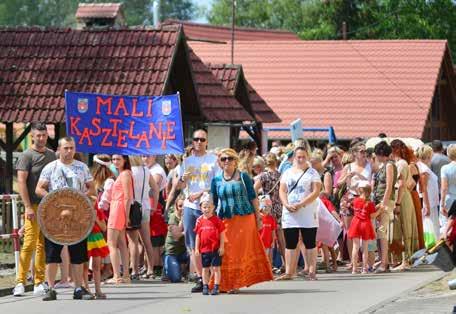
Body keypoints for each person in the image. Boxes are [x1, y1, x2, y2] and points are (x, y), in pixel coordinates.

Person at [35, 137, 95, 301]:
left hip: (77, 216)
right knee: (52, 255)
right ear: (59, 150)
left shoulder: (82, 167)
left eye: (72, 148)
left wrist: (81, 197)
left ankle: (77, 289)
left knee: (77, 255)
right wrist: (53, 200)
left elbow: (92, 188)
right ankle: (50, 289)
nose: (69, 151)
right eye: (66, 148)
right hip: (55, 217)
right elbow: (39, 189)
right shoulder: (51, 167)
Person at [211, 148, 273, 292]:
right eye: (223, 159)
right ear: (220, 162)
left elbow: (253, 198)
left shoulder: (243, 176)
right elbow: (213, 202)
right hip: (226, 219)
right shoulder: (216, 180)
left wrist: (258, 218)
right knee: (226, 250)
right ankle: (224, 283)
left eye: (230, 158)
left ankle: (235, 284)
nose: (226, 161)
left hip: (245, 219)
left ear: (235, 161)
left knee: (239, 251)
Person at [14, 123, 56, 297]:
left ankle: (39, 281)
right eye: (38, 135)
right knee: (29, 243)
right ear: (32, 136)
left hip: (47, 206)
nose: (41, 138)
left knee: (42, 244)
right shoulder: (26, 156)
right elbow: (21, 182)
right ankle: (20, 282)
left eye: (44, 135)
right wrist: (28, 206)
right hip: (33, 205)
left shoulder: (52, 155)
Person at [178, 129, 219, 293]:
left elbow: (216, 184)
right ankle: (200, 278)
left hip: (206, 206)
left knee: (209, 243)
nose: (199, 142)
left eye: (202, 139)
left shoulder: (213, 160)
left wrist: (201, 193)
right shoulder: (187, 161)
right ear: (192, 141)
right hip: (190, 205)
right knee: (192, 244)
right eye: (196, 139)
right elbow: (180, 186)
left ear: (207, 141)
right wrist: (183, 179)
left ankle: (211, 277)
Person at [277, 146, 322, 281]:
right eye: (298, 157)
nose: (301, 159)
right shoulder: (288, 172)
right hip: (290, 212)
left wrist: (301, 204)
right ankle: (289, 271)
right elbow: (282, 190)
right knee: (290, 242)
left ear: (307, 157)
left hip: (307, 211)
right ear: (294, 158)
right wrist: (286, 204)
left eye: (303, 156)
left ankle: (312, 271)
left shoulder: (312, 173)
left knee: (309, 241)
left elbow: (316, 191)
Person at [338, 142, 372, 265]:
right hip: (350, 198)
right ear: (355, 153)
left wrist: (358, 175)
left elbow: (370, 182)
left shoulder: (370, 165)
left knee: (365, 229)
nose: (364, 154)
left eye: (365, 151)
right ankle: (353, 261)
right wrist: (347, 175)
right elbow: (338, 184)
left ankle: (365, 260)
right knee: (350, 231)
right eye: (362, 151)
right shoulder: (349, 167)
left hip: (364, 199)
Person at [390, 139, 419, 271]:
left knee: (403, 227)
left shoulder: (400, 164)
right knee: (400, 227)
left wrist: (398, 203)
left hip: (401, 197)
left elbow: (401, 185)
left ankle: (405, 261)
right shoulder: (403, 163)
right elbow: (412, 183)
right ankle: (403, 259)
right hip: (403, 196)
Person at [128, 156, 159, 279]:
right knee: (147, 241)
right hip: (145, 206)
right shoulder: (146, 170)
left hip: (132, 207)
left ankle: (135, 271)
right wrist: (154, 206)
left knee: (133, 242)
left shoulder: (129, 171)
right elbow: (155, 189)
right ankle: (150, 269)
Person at [253, 153, 285, 271]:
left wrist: (259, 200)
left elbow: (253, 190)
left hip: (266, 207)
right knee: (280, 237)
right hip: (279, 206)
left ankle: (265, 265)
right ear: (276, 162)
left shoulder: (264, 176)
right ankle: (286, 263)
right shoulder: (281, 175)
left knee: (265, 237)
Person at [105, 155, 132, 284]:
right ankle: (125, 275)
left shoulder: (125, 174)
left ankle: (117, 275)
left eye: (118, 159)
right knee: (121, 243)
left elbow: (128, 197)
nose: (115, 161)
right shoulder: (124, 173)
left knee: (111, 242)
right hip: (118, 207)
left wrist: (126, 216)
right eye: (114, 159)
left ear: (124, 160)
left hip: (118, 208)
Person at [372, 141, 397, 273]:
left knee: (382, 232)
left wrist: (383, 203)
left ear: (381, 154)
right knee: (380, 232)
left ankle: (384, 263)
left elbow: (389, 185)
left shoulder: (389, 166)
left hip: (385, 201)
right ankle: (383, 261)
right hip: (381, 200)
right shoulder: (385, 165)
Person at [195, 193, 225, 296]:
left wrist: (222, 246)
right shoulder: (200, 221)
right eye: (204, 207)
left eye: (209, 207)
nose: (206, 209)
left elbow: (222, 234)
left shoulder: (217, 220)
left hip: (215, 249)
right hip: (204, 249)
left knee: (216, 268)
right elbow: (198, 235)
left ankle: (216, 286)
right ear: (201, 208)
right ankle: (205, 286)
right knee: (205, 268)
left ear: (213, 208)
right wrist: (196, 248)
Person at [348, 181, 381, 274]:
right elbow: (372, 216)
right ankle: (364, 269)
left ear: (359, 190)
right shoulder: (370, 203)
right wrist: (380, 210)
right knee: (365, 248)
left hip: (356, 223)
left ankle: (354, 268)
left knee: (355, 247)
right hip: (365, 224)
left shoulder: (355, 201)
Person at [416, 145, 440, 243]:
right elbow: (423, 188)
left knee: (431, 225)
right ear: (428, 155)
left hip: (431, 201)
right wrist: (427, 205)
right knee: (429, 226)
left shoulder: (423, 167)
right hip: (429, 202)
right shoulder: (423, 169)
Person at [163, 195, 188, 283]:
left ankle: (186, 271)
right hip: (172, 252)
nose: (182, 208)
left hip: (184, 252)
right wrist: (183, 221)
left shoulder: (190, 216)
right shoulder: (173, 217)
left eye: (184, 206)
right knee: (176, 278)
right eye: (180, 206)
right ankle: (167, 269)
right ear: (176, 207)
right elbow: (176, 236)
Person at [258, 195, 277, 264]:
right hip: (260, 243)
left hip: (268, 243)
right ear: (261, 207)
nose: (267, 209)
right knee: (259, 258)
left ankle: (268, 270)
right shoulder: (258, 218)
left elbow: (273, 231)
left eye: (269, 207)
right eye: (265, 207)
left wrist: (273, 241)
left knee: (267, 258)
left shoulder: (271, 219)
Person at [440, 145, 456, 227]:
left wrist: (442, 204)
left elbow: (444, 188)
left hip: (449, 199)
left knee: (447, 226)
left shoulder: (445, 168)